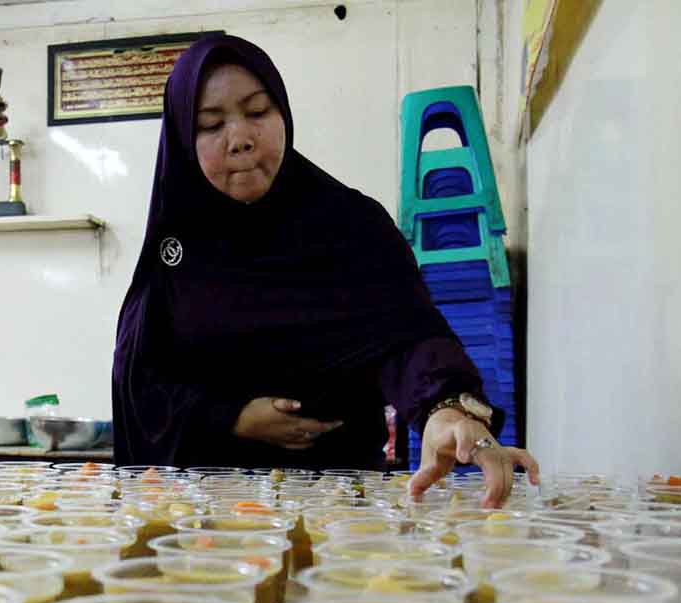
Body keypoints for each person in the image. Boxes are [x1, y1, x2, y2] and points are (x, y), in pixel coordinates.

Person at [111, 34, 538, 507]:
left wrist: (448, 411)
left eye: (257, 112)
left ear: (283, 115)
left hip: (338, 507)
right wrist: (232, 416)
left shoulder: (352, 226)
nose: (241, 139)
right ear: (182, 142)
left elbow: (409, 338)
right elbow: (142, 384)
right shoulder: (176, 250)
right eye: (211, 124)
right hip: (205, 518)